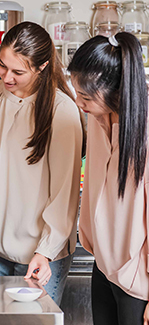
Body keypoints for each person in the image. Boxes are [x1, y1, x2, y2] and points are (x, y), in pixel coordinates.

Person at [0, 21, 84, 305]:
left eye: (18, 71)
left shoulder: (62, 111)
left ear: (41, 67)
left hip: (40, 252)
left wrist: (46, 250)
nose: (7, 77)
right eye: (2, 65)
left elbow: (65, 194)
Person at [68, 32, 149, 325]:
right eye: (77, 93)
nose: (79, 102)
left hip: (138, 277)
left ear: (116, 91)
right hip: (102, 264)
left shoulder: (145, 131)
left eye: (86, 97)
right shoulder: (98, 118)